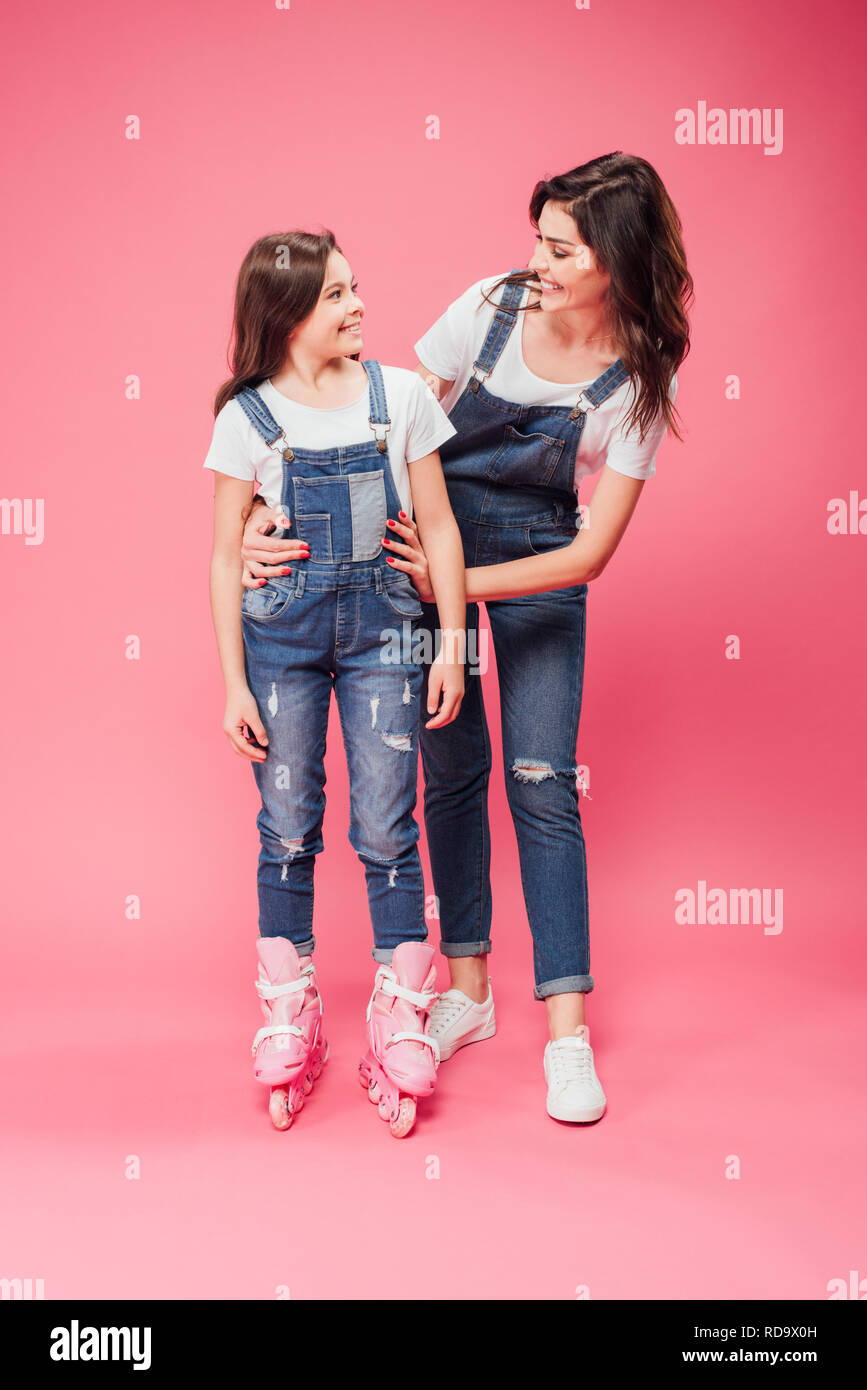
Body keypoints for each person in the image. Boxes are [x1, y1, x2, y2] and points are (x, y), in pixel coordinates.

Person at [239, 152, 693, 1125]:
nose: (539, 259)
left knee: (540, 779)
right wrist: (263, 520)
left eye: (563, 246)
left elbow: (592, 553)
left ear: (616, 260)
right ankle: (468, 993)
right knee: (447, 772)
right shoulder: (490, 305)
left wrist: (456, 587)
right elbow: (378, 424)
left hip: (531, 561)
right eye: (539, 236)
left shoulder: (640, 371)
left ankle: (567, 1033)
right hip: (422, 538)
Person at [203, 229, 466, 1136]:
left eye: (357, 288)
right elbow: (221, 557)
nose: (358, 307)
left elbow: (438, 526)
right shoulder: (247, 417)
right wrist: (233, 682)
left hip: (386, 638)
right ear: (286, 318)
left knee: (389, 822)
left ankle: (401, 1012)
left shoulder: (401, 398)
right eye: (336, 297)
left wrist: (449, 645)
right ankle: (290, 1007)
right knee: (285, 821)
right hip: (279, 645)